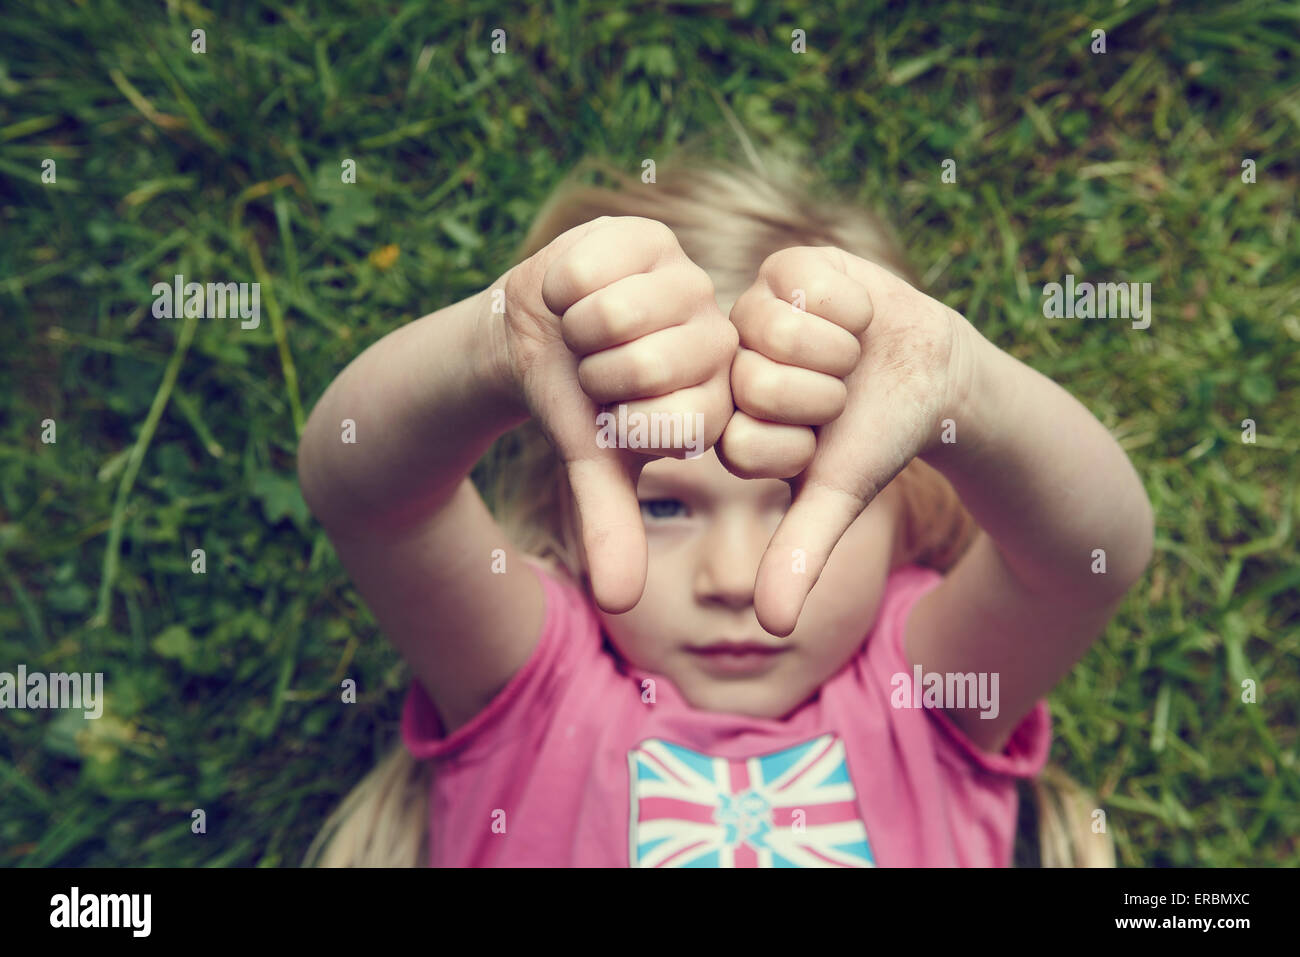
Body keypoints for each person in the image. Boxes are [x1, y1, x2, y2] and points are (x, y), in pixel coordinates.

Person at [298, 148, 1151, 867]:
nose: (734, 579)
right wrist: (496, 341)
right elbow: (367, 491)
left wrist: (960, 381)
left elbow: (1088, 559)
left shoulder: (923, 689)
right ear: (570, 514)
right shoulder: (534, 688)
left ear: (906, 506)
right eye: (665, 507)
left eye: (795, 503)